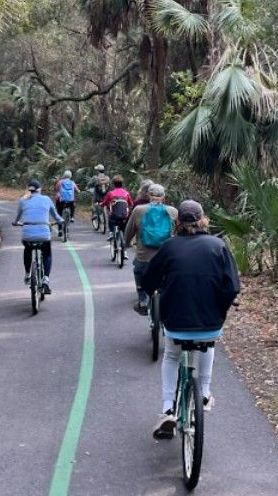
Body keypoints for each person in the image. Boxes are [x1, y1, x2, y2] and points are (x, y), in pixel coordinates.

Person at [140, 200, 240, 440]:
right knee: (209, 344)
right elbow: (232, 286)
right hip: (210, 322)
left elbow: (148, 281)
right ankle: (204, 392)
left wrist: (155, 289)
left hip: (176, 322)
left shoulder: (169, 247)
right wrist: (221, 308)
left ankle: (167, 409)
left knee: (172, 355)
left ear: (178, 223)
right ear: (203, 219)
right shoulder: (218, 245)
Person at [124, 183, 177, 315]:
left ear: (148, 196)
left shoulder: (139, 210)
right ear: (164, 197)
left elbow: (129, 231)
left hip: (144, 256)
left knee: (138, 270)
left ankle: (142, 300)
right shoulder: (173, 211)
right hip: (167, 256)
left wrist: (126, 243)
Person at [12, 179, 63, 294]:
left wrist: (15, 223)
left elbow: (17, 218)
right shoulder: (46, 199)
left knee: (27, 249)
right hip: (44, 234)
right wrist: (61, 221)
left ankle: (27, 274)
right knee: (47, 253)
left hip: (27, 234)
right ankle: (45, 279)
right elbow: (56, 216)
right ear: (39, 189)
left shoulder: (23, 200)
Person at [101, 175, 134, 253]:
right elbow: (131, 204)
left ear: (113, 184)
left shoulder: (110, 193)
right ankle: (125, 252)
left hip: (114, 216)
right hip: (124, 216)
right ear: (122, 184)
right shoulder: (126, 193)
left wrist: (101, 204)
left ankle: (112, 233)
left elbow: (104, 203)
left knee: (111, 219)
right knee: (124, 230)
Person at [54, 170, 78, 234]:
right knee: (73, 205)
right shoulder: (72, 182)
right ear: (70, 176)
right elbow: (77, 190)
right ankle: (72, 217)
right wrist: (78, 191)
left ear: (64, 175)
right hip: (70, 201)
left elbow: (56, 189)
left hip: (61, 201)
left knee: (59, 214)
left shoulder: (60, 182)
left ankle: (60, 230)